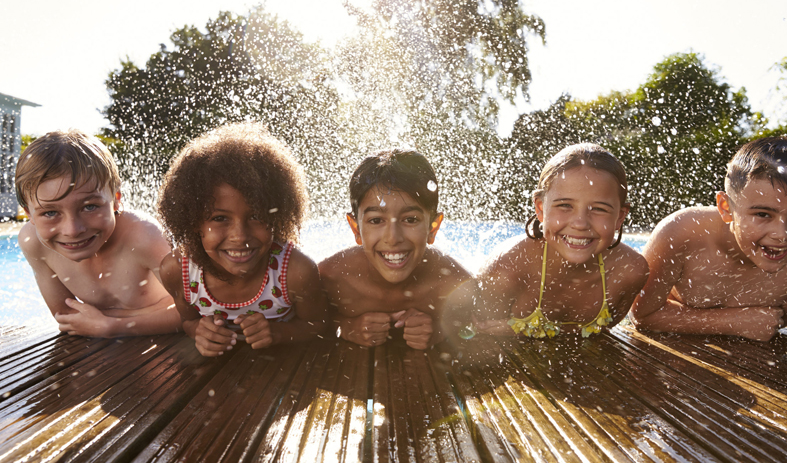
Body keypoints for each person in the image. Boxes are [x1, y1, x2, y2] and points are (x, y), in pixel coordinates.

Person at [631, 135, 787, 341]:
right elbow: (641, 315)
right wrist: (733, 321)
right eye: (763, 214)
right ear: (725, 207)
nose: (782, 235)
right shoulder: (682, 233)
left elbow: (765, 328)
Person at [157, 123, 328, 356]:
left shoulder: (294, 272)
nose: (240, 236)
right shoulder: (178, 270)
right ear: (193, 221)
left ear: (277, 216)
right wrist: (200, 331)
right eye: (219, 218)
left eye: (256, 216)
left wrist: (278, 333)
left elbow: (319, 326)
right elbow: (188, 321)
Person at [455, 143, 648, 339]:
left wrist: (530, 331)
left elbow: (601, 333)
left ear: (620, 217)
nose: (580, 223)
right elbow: (472, 335)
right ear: (540, 209)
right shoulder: (510, 266)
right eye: (565, 205)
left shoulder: (630, 271)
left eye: (598, 209)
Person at [16, 130, 181, 337]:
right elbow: (67, 319)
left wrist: (111, 326)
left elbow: (199, 310)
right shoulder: (33, 242)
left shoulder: (143, 235)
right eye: (50, 212)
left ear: (116, 199)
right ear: (29, 213)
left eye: (90, 207)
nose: (73, 230)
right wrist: (150, 314)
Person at [319, 149, 472, 350]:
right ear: (356, 228)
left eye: (410, 220)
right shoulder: (331, 278)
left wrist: (442, 330)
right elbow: (310, 325)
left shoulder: (453, 283)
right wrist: (346, 327)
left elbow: (476, 326)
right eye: (376, 220)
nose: (393, 238)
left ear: (432, 228)